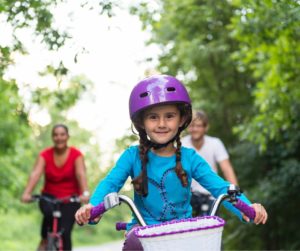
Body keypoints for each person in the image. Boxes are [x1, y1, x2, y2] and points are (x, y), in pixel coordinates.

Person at [75, 75, 268, 250]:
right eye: (153, 117)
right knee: (133, 245)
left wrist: (248, 208)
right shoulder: (132, 156)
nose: (161, 123)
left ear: (182, 119)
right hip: (143, 232)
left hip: (182, 233)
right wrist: (93, 207)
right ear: (142, 123)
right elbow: (110, 184)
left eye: (169, 116)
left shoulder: (190, 158)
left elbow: (220, 187)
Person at [21, 124, 90, 251]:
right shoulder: (45, 155)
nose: (59, 138)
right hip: (49, 198)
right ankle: (44, 241)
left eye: (62, 134)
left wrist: (85, 193)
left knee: (65, 232)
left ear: (67, 136)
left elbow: (81, 174)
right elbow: (36, 174)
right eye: (56, 135)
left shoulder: (76, 155)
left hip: (71, 199)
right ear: (52, 137)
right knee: (47, 225)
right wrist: (27, 193)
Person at [181, 110, 239, 216]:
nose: (195, 129)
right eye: (192, 126)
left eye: (198, 126)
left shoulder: (215, 143)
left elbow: (227, 169)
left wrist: (235, 194)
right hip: (188, 197)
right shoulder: (182, 144)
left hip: (211, 196)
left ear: (205, 127)